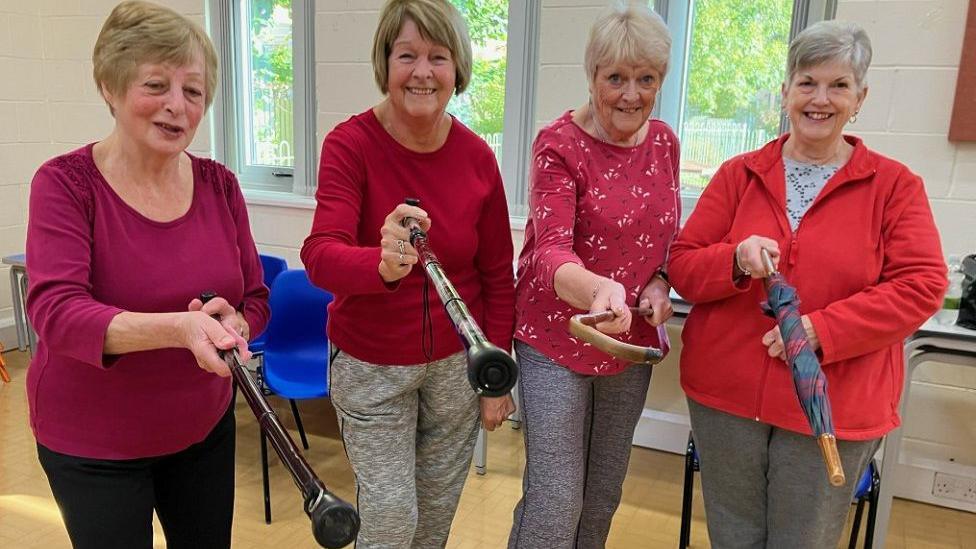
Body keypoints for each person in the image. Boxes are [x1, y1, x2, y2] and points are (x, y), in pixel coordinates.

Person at [668, 20, 947, 549]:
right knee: (735, 536)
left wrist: (822, 329)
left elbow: (921, 285)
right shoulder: (738, 174)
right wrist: (734, 259)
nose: (820, 99)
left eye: (838, 85)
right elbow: (683, 265)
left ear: (860, 97)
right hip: (726, 398)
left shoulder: (894, 186)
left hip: (835, 403)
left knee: (803, 540)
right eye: (807, 82)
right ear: (785, 93)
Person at [24, 2, 269, 548]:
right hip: (94, 443)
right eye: (156, 84)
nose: (177, 107)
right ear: (110, 87)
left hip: (202, 427)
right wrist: (179, 330)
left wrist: (239, 324)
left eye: (194, 92)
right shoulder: (66, 185)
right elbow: (57, 313)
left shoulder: (220, 186)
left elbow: (254, 298)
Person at [300, 0, 516, 546]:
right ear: (385, 64)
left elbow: (497, 275)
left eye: (438, 57)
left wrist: (498, 375)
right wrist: (380, 264)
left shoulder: (476, 158)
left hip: (456, 368)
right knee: (393, 521)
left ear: (457, 69)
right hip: (372, 365)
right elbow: (320, 254)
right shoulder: (349, 145)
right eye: (407, 55)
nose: (422, 72)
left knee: (434, 520)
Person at [506, 5, 678, 548]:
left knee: (602, 498)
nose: (630, 94)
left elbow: (665, 235)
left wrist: (660, 282)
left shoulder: (666, 145)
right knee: (556, 504)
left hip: (629, 342)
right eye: (616, 78)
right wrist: (600, 289)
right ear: (592, 76)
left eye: (645, 79)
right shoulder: (559, 145)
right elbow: (548, 252)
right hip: (557, 336)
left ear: (660, 82)